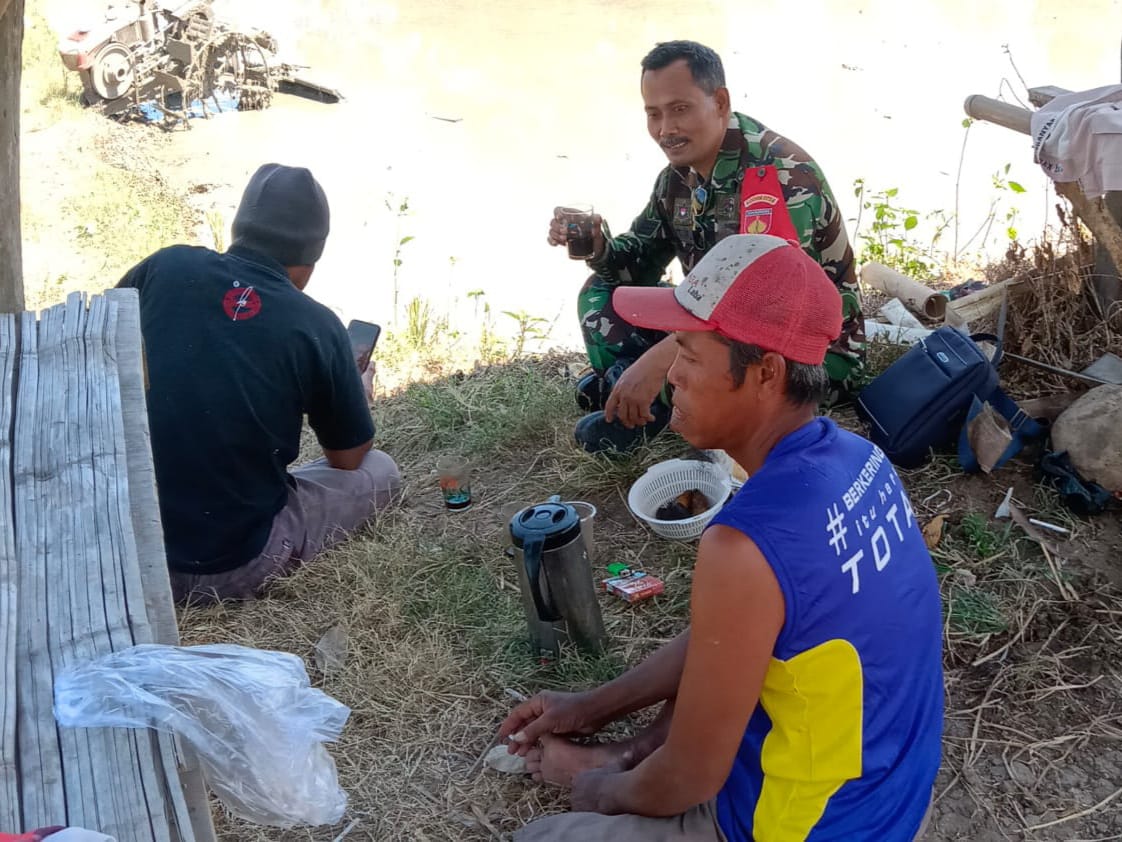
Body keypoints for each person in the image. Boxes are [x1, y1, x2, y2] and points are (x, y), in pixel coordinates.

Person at [500, 234, 942, 841]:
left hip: (818, 825)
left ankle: (610, 769)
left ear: (765, 374)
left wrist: (596, 792)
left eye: (686, 353)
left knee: (538, 838)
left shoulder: (741, 546)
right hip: (889, 786)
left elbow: (687, 781)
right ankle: (623, 752)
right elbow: (731, 634)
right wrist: (592, 705)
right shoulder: (861, 458)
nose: (670, 376)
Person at [547, 40, 865, 453]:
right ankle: (635, 390)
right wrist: (597, 245)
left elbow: (768, 311)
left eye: (679, 109)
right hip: (714, 323)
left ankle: (651, 403)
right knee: (600, 292)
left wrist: (658, 361)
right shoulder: (678, 177)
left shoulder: (778, 177)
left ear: (719, 102)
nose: (665, 130)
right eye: (653, 114)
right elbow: (637, 264)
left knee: (728, 352)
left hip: (807, 354)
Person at [117, 163, 400, 605]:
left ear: (238, 229)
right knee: (381, 470)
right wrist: (358, 394)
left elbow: (98, 341)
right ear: (310, 260)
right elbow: (348, 459)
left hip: (133, 554)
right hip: (236, 564)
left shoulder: (164, 267)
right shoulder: (315, 325)